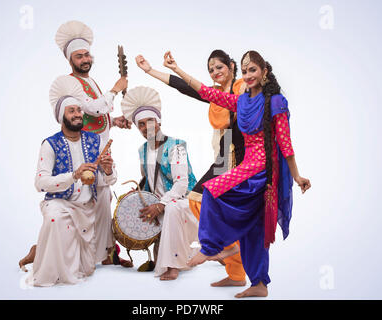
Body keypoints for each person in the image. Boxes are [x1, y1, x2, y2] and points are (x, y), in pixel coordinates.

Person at [161, 51, 311, 298]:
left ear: (264, 71)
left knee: (211, 190)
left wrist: (297, 176)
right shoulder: (242, 101)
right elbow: (206, 92)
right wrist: (177, 69)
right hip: (246, 167)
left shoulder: (275, 101)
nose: (248, 75)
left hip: (262, 172)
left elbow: (285, 143)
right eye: (245, 71)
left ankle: (212, 246)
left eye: (253, 70)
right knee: (255, 230)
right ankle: (259, 284)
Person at [19, 20, 131, 270]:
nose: (84, 59)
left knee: (103, 198)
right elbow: (91, 108)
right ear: (70, 60)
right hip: (81, 150)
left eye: (87, 54)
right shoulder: (70, 83)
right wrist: (116, 88)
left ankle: (107, 252)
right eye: (79, 56)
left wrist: (114, 121)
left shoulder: (91, 81)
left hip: (101, 149)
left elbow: (98, 115)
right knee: (83, 199)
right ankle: (46, 248)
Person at [135, 51, 247, 287]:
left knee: (198, 198)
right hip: (225, 150)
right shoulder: (216, 96)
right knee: (210, 204)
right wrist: (151, 70)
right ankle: (236, 274)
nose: (215, 72)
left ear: (231, 66)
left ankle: (224, 246)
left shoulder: (240, 87)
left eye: (219, 67)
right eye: (211, 70)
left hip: (240, 152)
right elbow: (185, 87)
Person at [26, 97, 117, 286]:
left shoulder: (95, 140)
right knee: (54, 218)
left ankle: (40, 250)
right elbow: (40, 183)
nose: (77, 115)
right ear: (61, 117)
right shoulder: (50, 144)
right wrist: (73, 175)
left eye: (79, 110)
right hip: (60, 203)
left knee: (87, 269)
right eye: (71, 111)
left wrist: (108, 170)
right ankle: (44, 260)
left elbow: (108, 179)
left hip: (87, 208)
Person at [120, 86, 199, 281]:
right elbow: (149, 180)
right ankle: (190, 254)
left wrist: (161, 204)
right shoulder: (142, 150)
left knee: (171, 209)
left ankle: (174, 266)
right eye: (141, 124)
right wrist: (139, 193)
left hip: (187, 200)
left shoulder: (177, 145)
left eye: (150, 121)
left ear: (159, 121)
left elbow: (181, 184)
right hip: (161, 203)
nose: (146, 127)